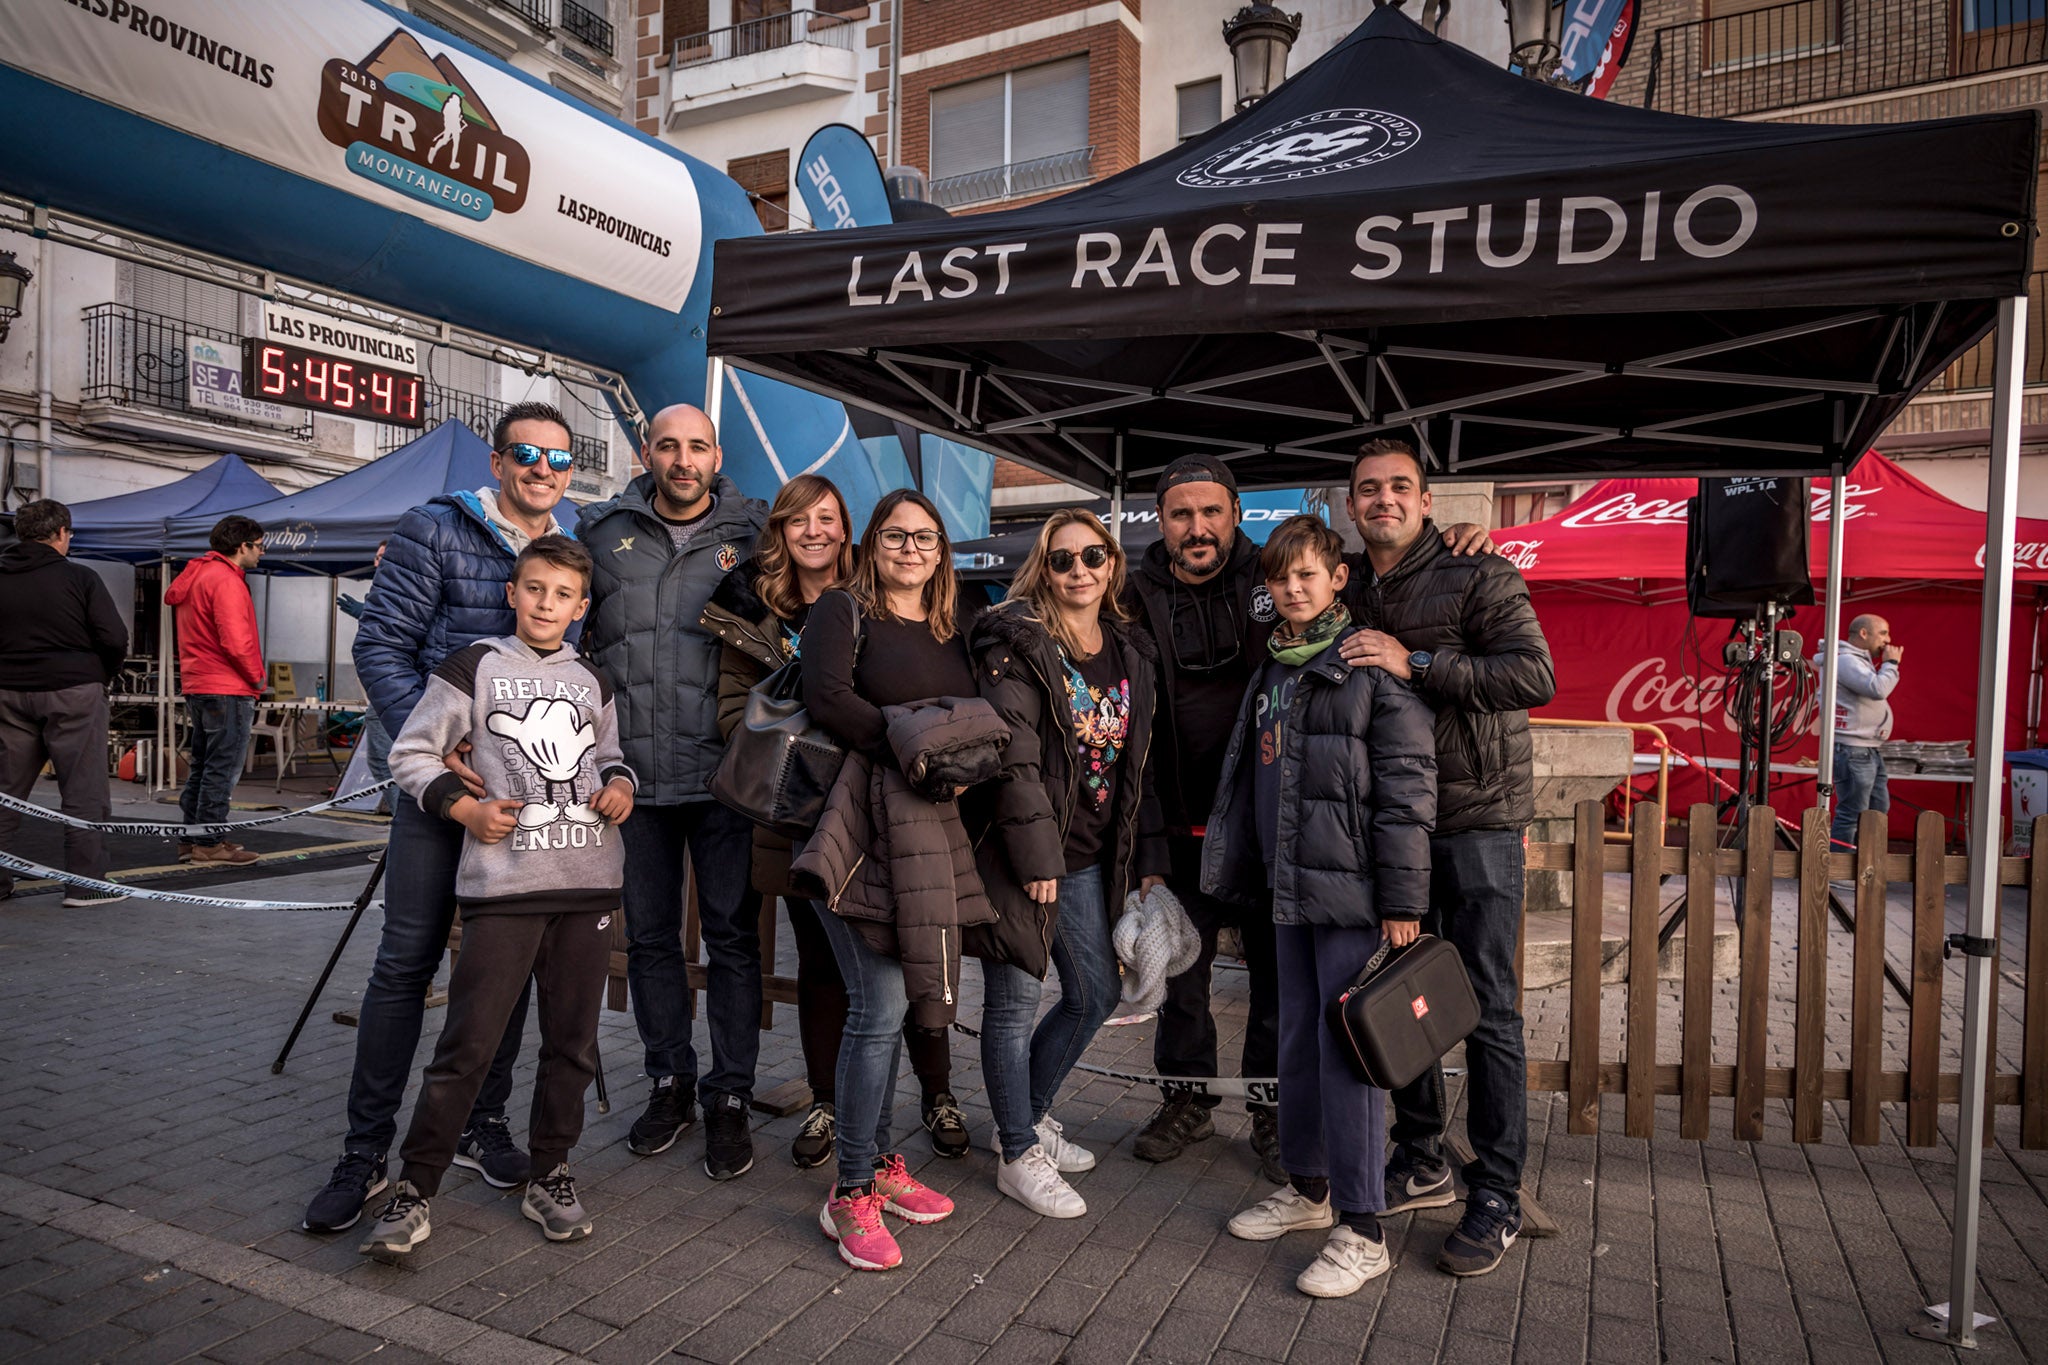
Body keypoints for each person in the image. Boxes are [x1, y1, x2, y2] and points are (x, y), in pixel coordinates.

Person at [305, 401, 580, 1234]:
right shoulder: (434, 529)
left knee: (506, 963)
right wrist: (441, 748)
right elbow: (380, 646)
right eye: (526, 453)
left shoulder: (567, 549)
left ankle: (481, 1122)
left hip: (526, 805)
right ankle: (364, 1156)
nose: (542, 467)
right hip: (441, 793)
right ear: (497, 461)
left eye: (558, 458)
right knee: (406, 962)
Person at [361, 535, 635, 1259]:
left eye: (563, 594)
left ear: (581, 607)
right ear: (512, 593)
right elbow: (411, 752)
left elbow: (609, 755)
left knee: (572, 1045)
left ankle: (553, 1170)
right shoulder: (473, 666)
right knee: (467, 1045)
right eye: (534, 589)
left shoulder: (596, 681)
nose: (547, 604)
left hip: (588, 888)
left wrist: (620, 786)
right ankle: (416, 1185)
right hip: (503, 890)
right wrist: (461, 808)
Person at [1335, 438, 1556, 1278]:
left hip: (1478, 821)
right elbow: (1273, 585)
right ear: (1350, 508)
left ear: (1426, 501)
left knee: (1489, 1007)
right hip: (1394, 828)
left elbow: (1533, 675)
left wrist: (1416, 660)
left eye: (1399, 487)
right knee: (1401, 995)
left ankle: (1494, 1188)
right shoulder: (1350, 582)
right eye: (1368, 490)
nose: (1383, 499)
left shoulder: (1480, 573)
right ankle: (1422, 1153)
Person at [699, 474, 965, 1170]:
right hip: (806, 807)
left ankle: (924, 1103)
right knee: (833, 969)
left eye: (827, 518)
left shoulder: (891, 601)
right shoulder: (753, 606)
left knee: (903, 964)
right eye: (797, 520)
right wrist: (818, 740)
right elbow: (738, 713)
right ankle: (843, 1125)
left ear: (850, 530)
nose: (814, 531)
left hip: (894, 808)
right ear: (780, 532)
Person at [1203, 514, 1436, 1299]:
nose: (1292, 588)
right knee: (1297, 1041)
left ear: (1338, 577)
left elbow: (1407, 793)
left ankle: (1364, 1227)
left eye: (1307, 574)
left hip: (1353, 896)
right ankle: (1309, 1190)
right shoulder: (1272, 670)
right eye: (1279, 577)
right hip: (1287, 891)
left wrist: (1404, 901)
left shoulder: (1369, 666)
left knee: (1349, 1054)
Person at [791, 489, 1001, 1272]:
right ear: (872, 542)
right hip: (849, 826)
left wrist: (945, 753)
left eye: (926, 537)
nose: (911, 547)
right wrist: (920, 741)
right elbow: (827, 699)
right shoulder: (843, 611)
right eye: (895, 535)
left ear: (942, 550)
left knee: (892, 1000)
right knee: (876, 1006)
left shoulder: (957, 625)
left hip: (922, 828)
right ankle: (850, 1190)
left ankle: (877, 1164)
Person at [578, 404, 769, 1179]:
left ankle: (731, 1094)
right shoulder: (600, 533)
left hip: (726, 778)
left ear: (716, 454)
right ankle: (670, 1079)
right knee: (650, 938)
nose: (683, 460)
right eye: (668, 446)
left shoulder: (757, 531)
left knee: (731, 938)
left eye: (697, 446)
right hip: (636, 780)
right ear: (645, 452)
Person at [970, 509, 1167, 1219]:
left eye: (1092, 556)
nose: (1079, 570)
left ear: (1111, 563)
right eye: (1062, 559)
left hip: (1088, 855)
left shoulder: (1128, 648)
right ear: (1043, 569)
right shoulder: (1017, 642)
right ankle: (1017, 1152)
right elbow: (1012, 752)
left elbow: (1140, 764)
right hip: (1020, 850)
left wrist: (1146, 856)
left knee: (1094, 994)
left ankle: (1024, 1114)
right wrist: (1032, 853)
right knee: (1013, 1002)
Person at [0, 499, 128, 908]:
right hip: (73, 689)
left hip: (7, 691)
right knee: (83, 789)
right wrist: (99, 675)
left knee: (5, 791)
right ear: (61, 534)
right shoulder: (80, 578)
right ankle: (85, 884)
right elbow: (114, 637)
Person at [163, 515, 268, 866]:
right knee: (222, 767)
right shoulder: (225, 580)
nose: (262, 553)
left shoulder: (197, 575)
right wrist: (256, 678)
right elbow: (236, 641)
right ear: (243, 546)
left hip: (199, 682)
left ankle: (194, 838)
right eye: (258, 545)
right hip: (228, 686)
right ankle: (209, 842)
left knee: (204, 765)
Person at [1822, 614, 1901, 852]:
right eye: (1883, 633)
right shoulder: (1846, 661)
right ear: (1863, 634)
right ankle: (1838, 868)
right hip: (1853, 748)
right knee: (1852, 811)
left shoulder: (1857, 660)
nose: (1887, 640)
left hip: (1867, 748)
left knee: (1877, 808)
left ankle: (1865, 863)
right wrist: (1891, 665)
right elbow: (1877, 689)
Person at [339, 541, 394, 815]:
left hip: (391, 687)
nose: (377, 562)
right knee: (383, 762)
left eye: (383, 556)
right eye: (375, 557)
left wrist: (368, 615)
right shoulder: (382, 589)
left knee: (387, 763)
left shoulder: (400, 588)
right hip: (381, 686)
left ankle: (406, 831)